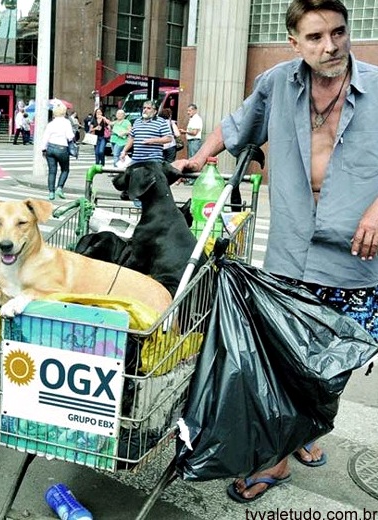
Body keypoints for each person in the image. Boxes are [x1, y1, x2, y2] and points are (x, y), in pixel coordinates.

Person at [174, 0, 378, 503]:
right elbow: (236, 125)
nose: (330, 46)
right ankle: (279, 456)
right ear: (294, 43)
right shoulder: (276, 84)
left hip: (358, 255)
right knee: (286, 362)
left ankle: (301, 434)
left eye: (337, 32)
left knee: (332, 363)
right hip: (292, 249)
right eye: (315, 37)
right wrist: (200, 156)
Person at [119, 100, 172, 164]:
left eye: (148, 108)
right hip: (136, 158)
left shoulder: (161, 122)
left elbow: (169, 138)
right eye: (144, 108)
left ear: (155, 111)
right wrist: (124, 151)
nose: (145, 110)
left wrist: (153, 140)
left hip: (153, 159)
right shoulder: (137, 121)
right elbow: (131, 138)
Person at [41, 103, 74, 200]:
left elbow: (45, 137)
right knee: (65, 169)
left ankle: (51, 192)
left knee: (52, 171)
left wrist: (43, 149)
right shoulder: (66, 122)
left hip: (50, 148)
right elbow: (70, 136)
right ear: (64, 112)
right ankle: (59, 187)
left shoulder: (50, 124)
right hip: (62, 148)